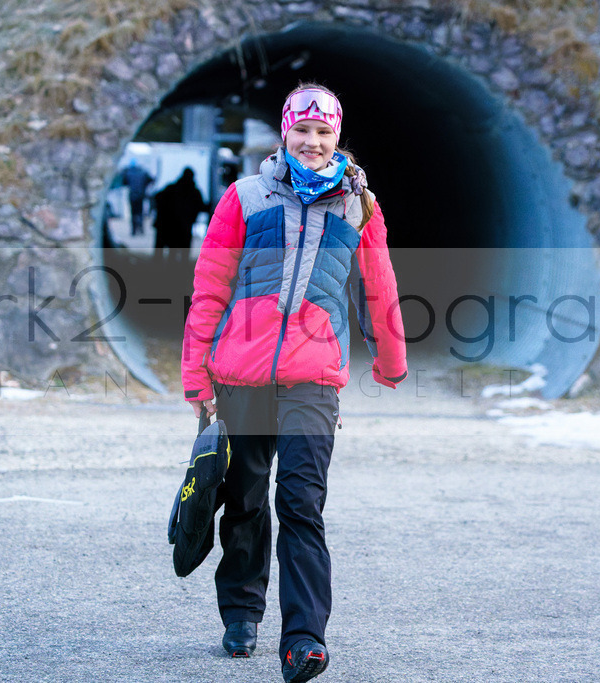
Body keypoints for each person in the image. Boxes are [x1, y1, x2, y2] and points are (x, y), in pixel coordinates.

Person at [181, 83, 407, 683]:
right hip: (241, 373)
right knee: (247, 497)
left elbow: (378, 283)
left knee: (302, 502)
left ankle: (304, 638)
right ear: (285, 132)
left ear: (337, 137)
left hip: (314, 376)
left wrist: (390, 358)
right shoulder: (244, 198)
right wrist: (195, 375)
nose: (312, 142)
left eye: (324, 132)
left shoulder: (360, 206)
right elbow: (209, 290)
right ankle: (241, 612)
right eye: (302, 130)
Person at [153, 167, 207, 264]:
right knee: (183, 253)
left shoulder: (172, 188)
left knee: (172, 252)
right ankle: (181, 272)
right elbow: (202, 207)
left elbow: (157, 198)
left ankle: (167, 270)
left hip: (170, 225)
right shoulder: (194, 192)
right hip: (184, 226)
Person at [119, 158, 154, 235]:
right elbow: (151, 180)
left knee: (133, 213)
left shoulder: (128, 172)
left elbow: (124, 182)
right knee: (140, 212)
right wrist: (145, 187)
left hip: (132, 195)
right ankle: (141, 229)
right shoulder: (143, 172)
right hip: (141, 195)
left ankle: (134, 230)